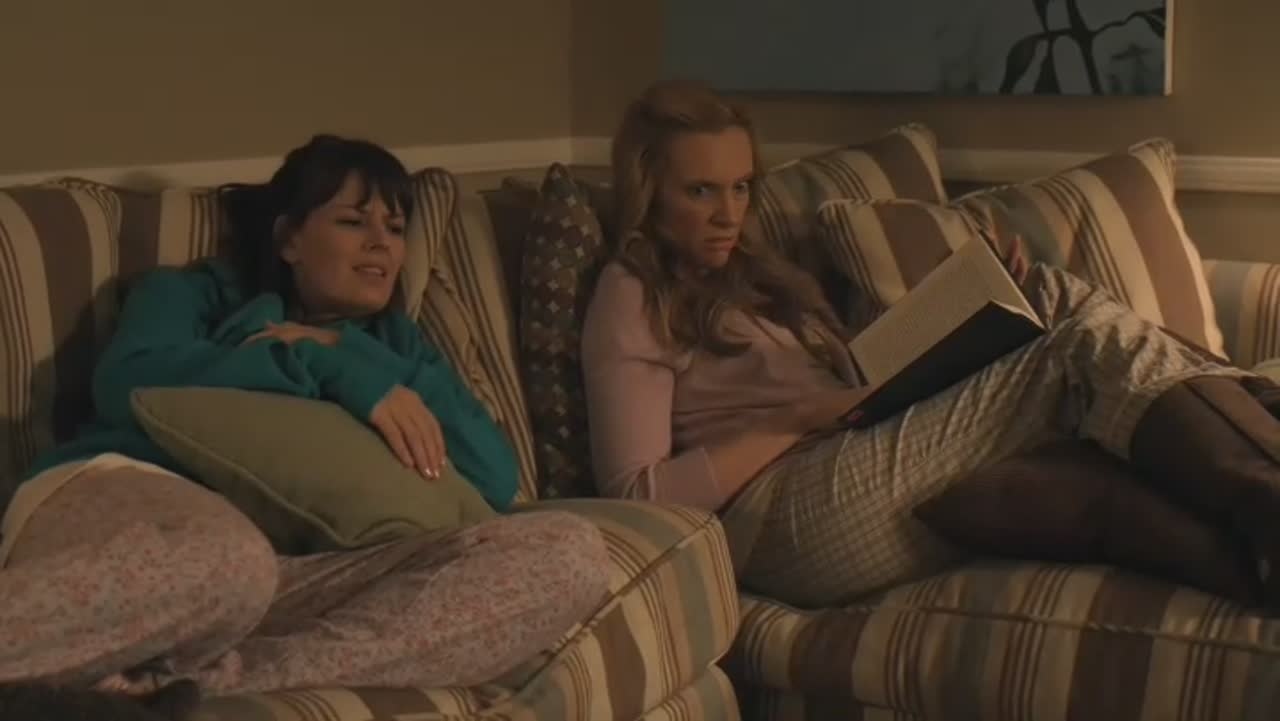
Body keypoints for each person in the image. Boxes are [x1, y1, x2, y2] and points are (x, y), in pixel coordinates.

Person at [582, 78, 1280, 612]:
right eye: (700, 191)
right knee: (1072, 349)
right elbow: (636, 494)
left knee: (1047, 293)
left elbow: (859, 376)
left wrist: (971, 300)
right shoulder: (631, 292)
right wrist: (792, 420)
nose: (728, 213)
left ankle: (1258, 530)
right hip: (780, 518)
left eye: (740, 187)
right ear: (649, 190)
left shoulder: (757, 275)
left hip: (856, 448)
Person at [0, 135, 612, 704]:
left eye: (395, 228)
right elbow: (127, 381)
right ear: (289, 239)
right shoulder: (195, 294)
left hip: (285, 571)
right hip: (137, 504)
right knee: (230, 564)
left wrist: (350, 357)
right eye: (353, 221)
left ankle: (203, 682)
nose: (381, 243)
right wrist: (315, 366)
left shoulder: (398, 347)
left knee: (569, 554)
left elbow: (494, 478)